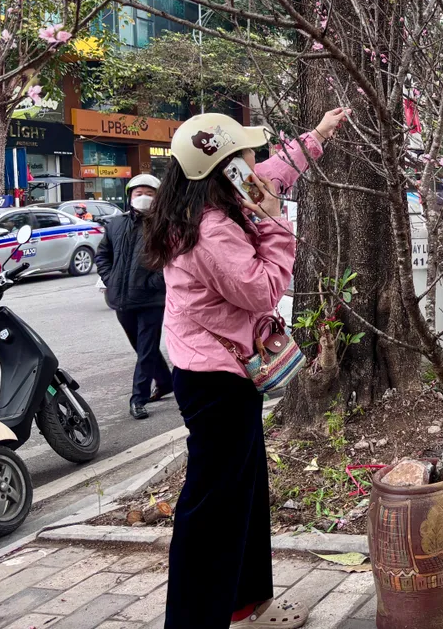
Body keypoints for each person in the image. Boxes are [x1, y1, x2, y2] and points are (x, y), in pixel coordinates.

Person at [142, 107, 348, 629]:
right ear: (224, 167)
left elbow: (270, 176)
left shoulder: (215, 199)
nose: (255, 164)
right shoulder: (211, 229)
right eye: (245, 157)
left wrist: (316, 137)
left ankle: (246, 601)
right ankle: (194, 620)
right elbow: (262, 288)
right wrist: (277, 224)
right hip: (215, 383)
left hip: (220, 373)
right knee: (212, 506)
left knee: (245, 491)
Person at [95, 174, 170, 420]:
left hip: (151, 300)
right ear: (130, 197)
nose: (144, 198)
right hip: (122, 300)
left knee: (146, 349)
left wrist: (153, 283)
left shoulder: (165, 225)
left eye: (149, 193)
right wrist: (111, 279)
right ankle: (166, 381)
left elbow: (171, 261)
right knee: (141, 347)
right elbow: (102, 255)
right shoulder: (116, 225)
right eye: (139, 193)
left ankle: (138, 399)